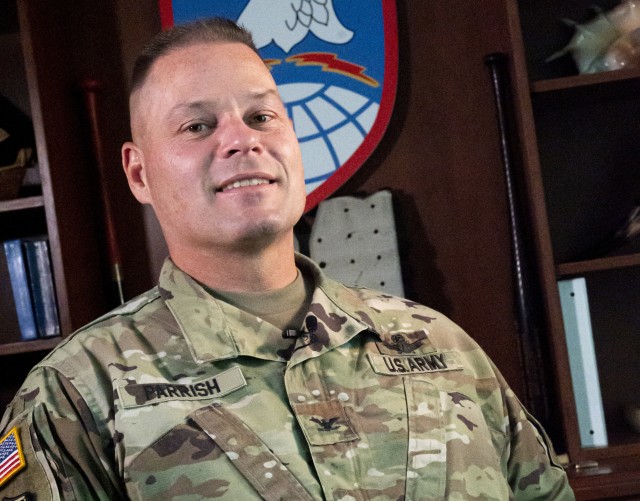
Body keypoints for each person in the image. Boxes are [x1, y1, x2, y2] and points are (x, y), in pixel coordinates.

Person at [0, 17, 574, 500]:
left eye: (261, 116)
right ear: (139, 172)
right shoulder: (77, 394)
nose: (241, 140)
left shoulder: (441, 349)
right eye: (197, 125)